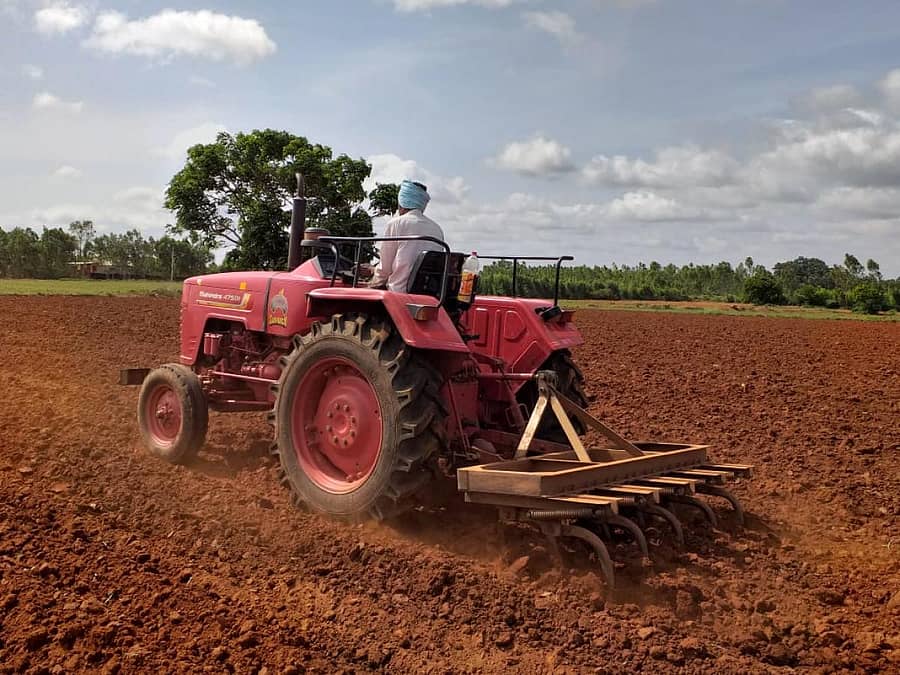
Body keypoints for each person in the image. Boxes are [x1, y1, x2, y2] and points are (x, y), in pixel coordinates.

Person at [368, 180, 445, 292]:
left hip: (398, 292)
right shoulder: (437, 229)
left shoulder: (396, 223)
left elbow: (384, 270)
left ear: (401, 202)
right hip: (428, 293)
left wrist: (371, 283)